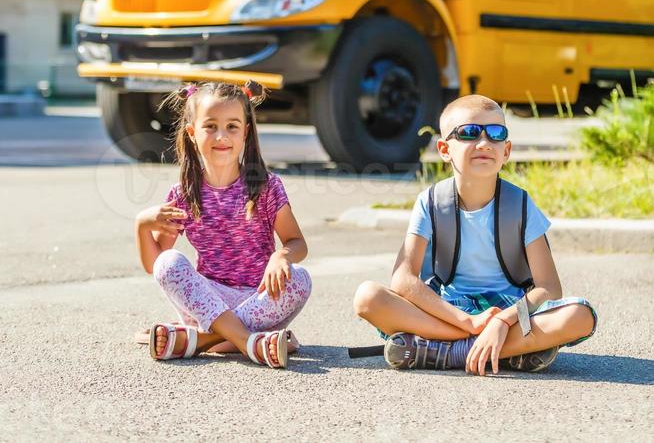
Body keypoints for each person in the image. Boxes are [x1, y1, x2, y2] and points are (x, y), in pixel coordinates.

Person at [353, 94, 597, 375]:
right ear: (445, 149)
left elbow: (549, 288)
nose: (484, 143)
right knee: (367, 297)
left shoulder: (520, 204)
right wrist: (468, 323)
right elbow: (403, 279)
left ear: (506, 151)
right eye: (468, 133)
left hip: (508, 311)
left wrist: (502, 322)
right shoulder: (430, 202)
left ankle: (442, 350)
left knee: (580, 315)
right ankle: (504, 351)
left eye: (496, 134)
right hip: (448, 310)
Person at [135, 80, 312, 369]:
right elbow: (155, 265)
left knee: (301, 278)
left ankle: (204, 340)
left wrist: (282, 256)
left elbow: (297, 243)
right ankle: (250, 342)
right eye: (210, 126)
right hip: (206, 302)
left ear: (246, 132)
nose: (221, 136)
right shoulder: (183, 192)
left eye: (232, 126)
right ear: (192, 133)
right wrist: (141, 224)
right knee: (170, 262)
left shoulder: (266, 186)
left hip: (258, 302)